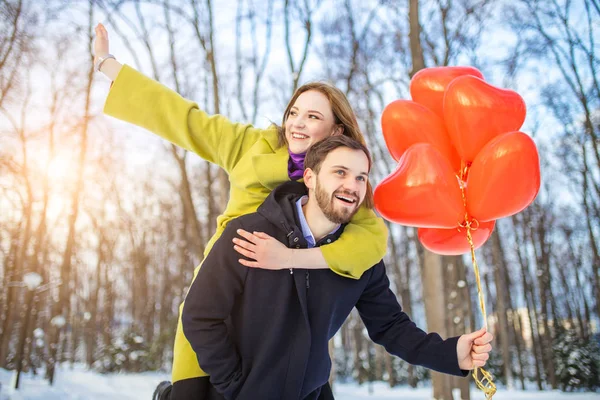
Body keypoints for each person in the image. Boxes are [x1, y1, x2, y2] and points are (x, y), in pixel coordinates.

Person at [93, 24, 388, 399]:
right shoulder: (251, 146)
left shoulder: (339, 184)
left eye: (313, 117)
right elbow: (184, 118)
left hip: (280, 327)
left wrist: (293, 257)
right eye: (294, 112)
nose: (297, 122)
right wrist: (108, 65)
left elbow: (370, 242)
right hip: (219, 302)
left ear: (337, 129)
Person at [181, 135, 493, 400]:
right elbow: (200, 315)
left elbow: (390, 327)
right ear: (310, 177)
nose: (352, 185)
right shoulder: (248, 234)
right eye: (340, 172)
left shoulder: (359, 259)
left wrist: (450, 354)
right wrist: (236, 384)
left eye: (361, 176)